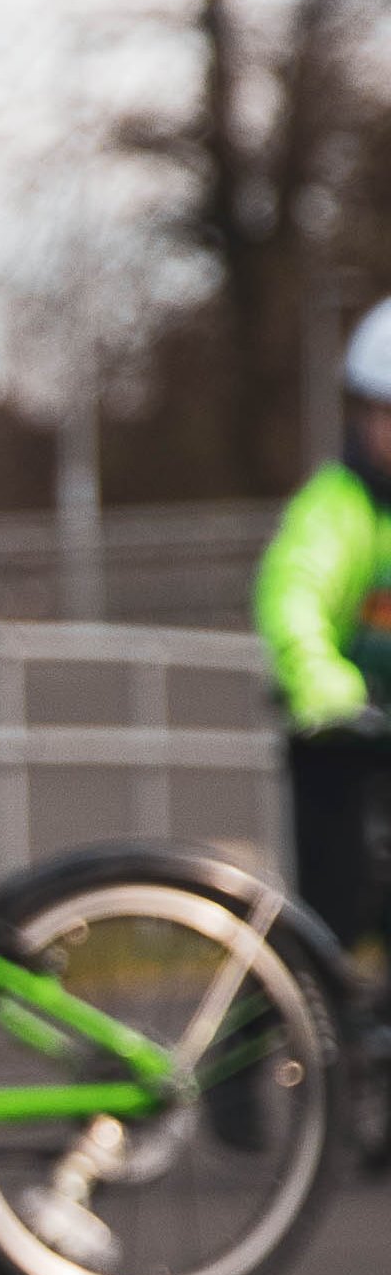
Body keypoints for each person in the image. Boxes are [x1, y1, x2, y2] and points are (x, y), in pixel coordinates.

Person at [254, 300, 391, 964]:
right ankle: (244, 1067)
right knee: (323, 943)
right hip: (345, 743)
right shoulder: (336, 506)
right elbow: (295, 594)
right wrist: (321, 682)